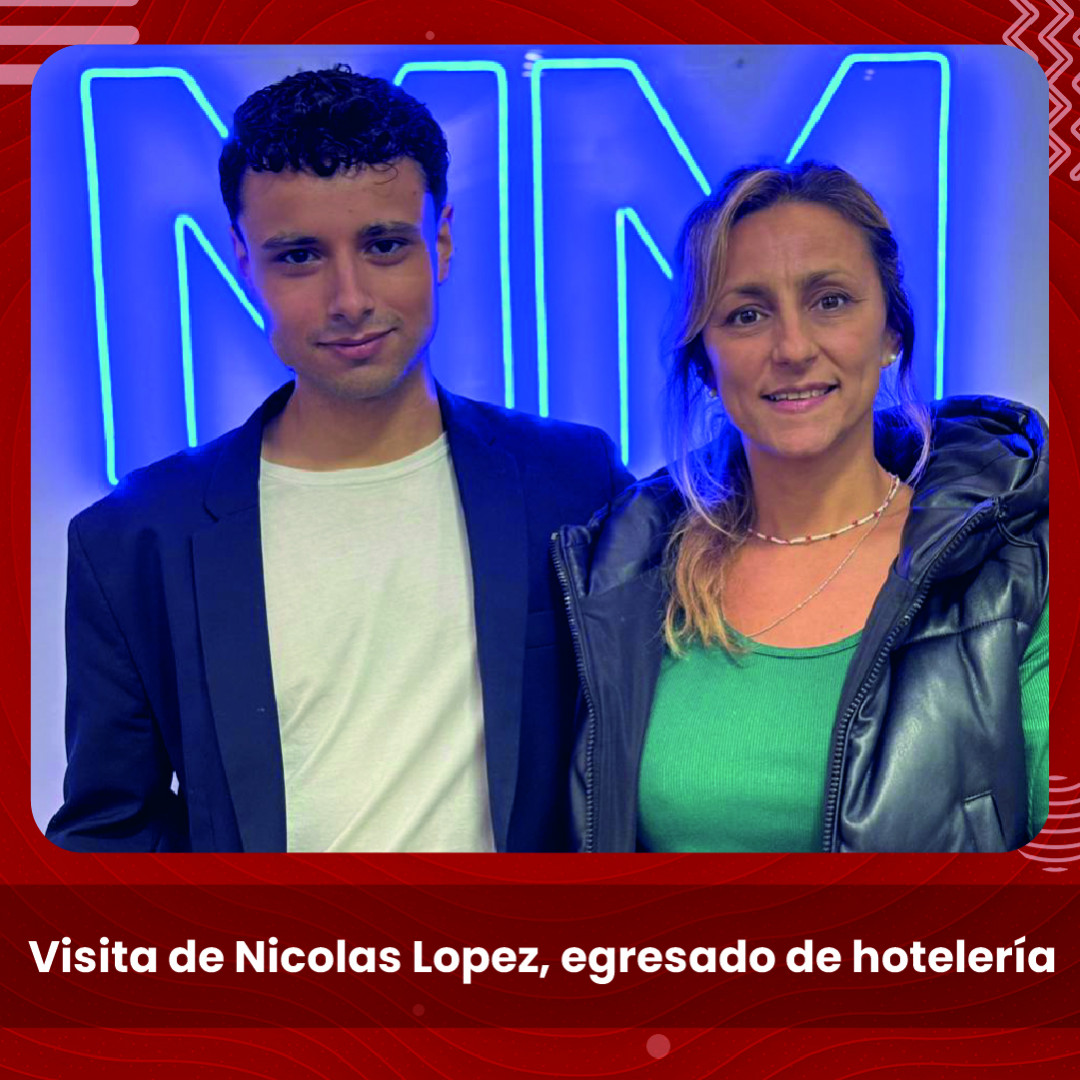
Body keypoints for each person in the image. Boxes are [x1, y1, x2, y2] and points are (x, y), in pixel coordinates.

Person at [47, 65, 632, 853]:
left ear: (442, 241)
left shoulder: (573, 481)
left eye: (384, 245)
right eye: (299, 256)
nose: (349, 299)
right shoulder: (134, 537)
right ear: (242, 259)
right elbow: (110, 834)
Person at [554, 162, 1049, 853]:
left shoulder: (1016, 563)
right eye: (746, 314)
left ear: (891, 332)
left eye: (831, 301)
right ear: (705, 361)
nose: (791, 348)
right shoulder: (623, 573)